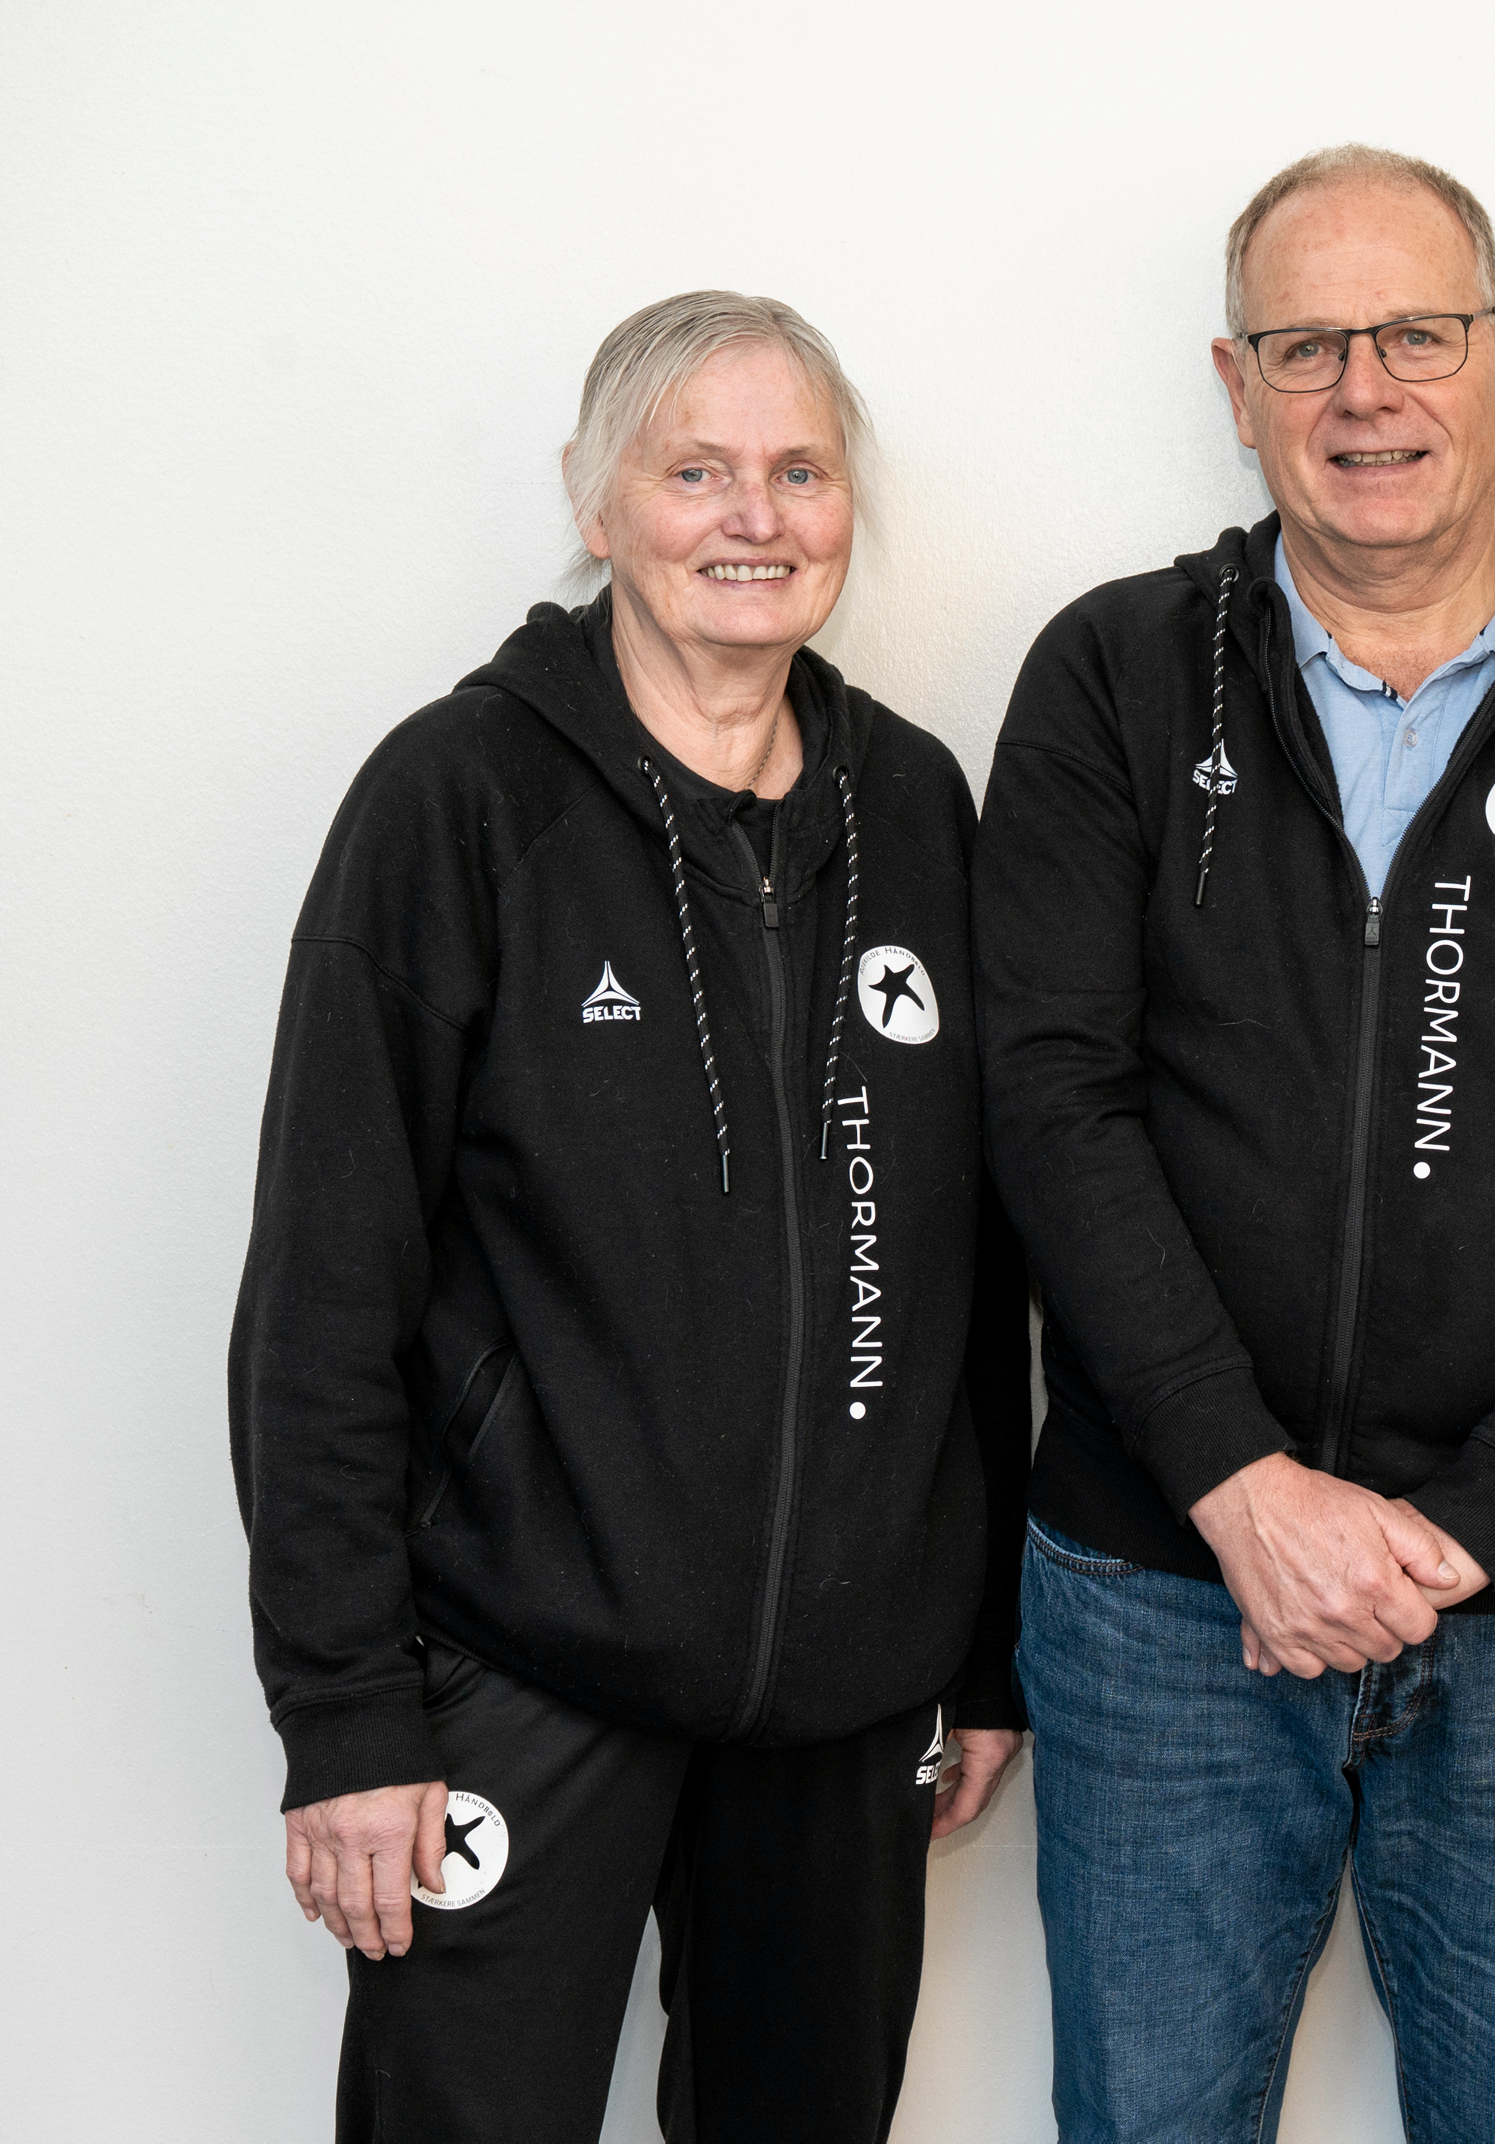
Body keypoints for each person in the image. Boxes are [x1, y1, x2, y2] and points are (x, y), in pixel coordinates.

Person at [976, 145, 1495, 2144]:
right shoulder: (1110, 677)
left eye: (1417, 332)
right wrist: (1245, 1493)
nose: (1368, 390)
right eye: (1307, 343)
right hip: (1164, 1589)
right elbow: (1047, 1097)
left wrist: (1481, 1517)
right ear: (1233, 379)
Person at [229, 290, 1030, 2144]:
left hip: (846, 1701)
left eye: (800, 470)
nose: (754, 516)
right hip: (526, 1671)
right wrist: (346, 1716)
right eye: (697, 470)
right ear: (600, 508)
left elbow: (975, 1276)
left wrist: (974, 1643)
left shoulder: (913, 804)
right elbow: (322, 1294)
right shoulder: (457, 799)